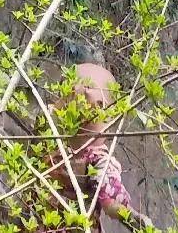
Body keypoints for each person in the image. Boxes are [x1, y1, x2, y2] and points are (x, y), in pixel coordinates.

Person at [52, 62, 147, 229]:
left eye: (87, 86)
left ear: (100, 107)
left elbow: (110, 200)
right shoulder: (52, 139)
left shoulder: (99, 160)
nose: (77, 91)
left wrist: (130, 216)